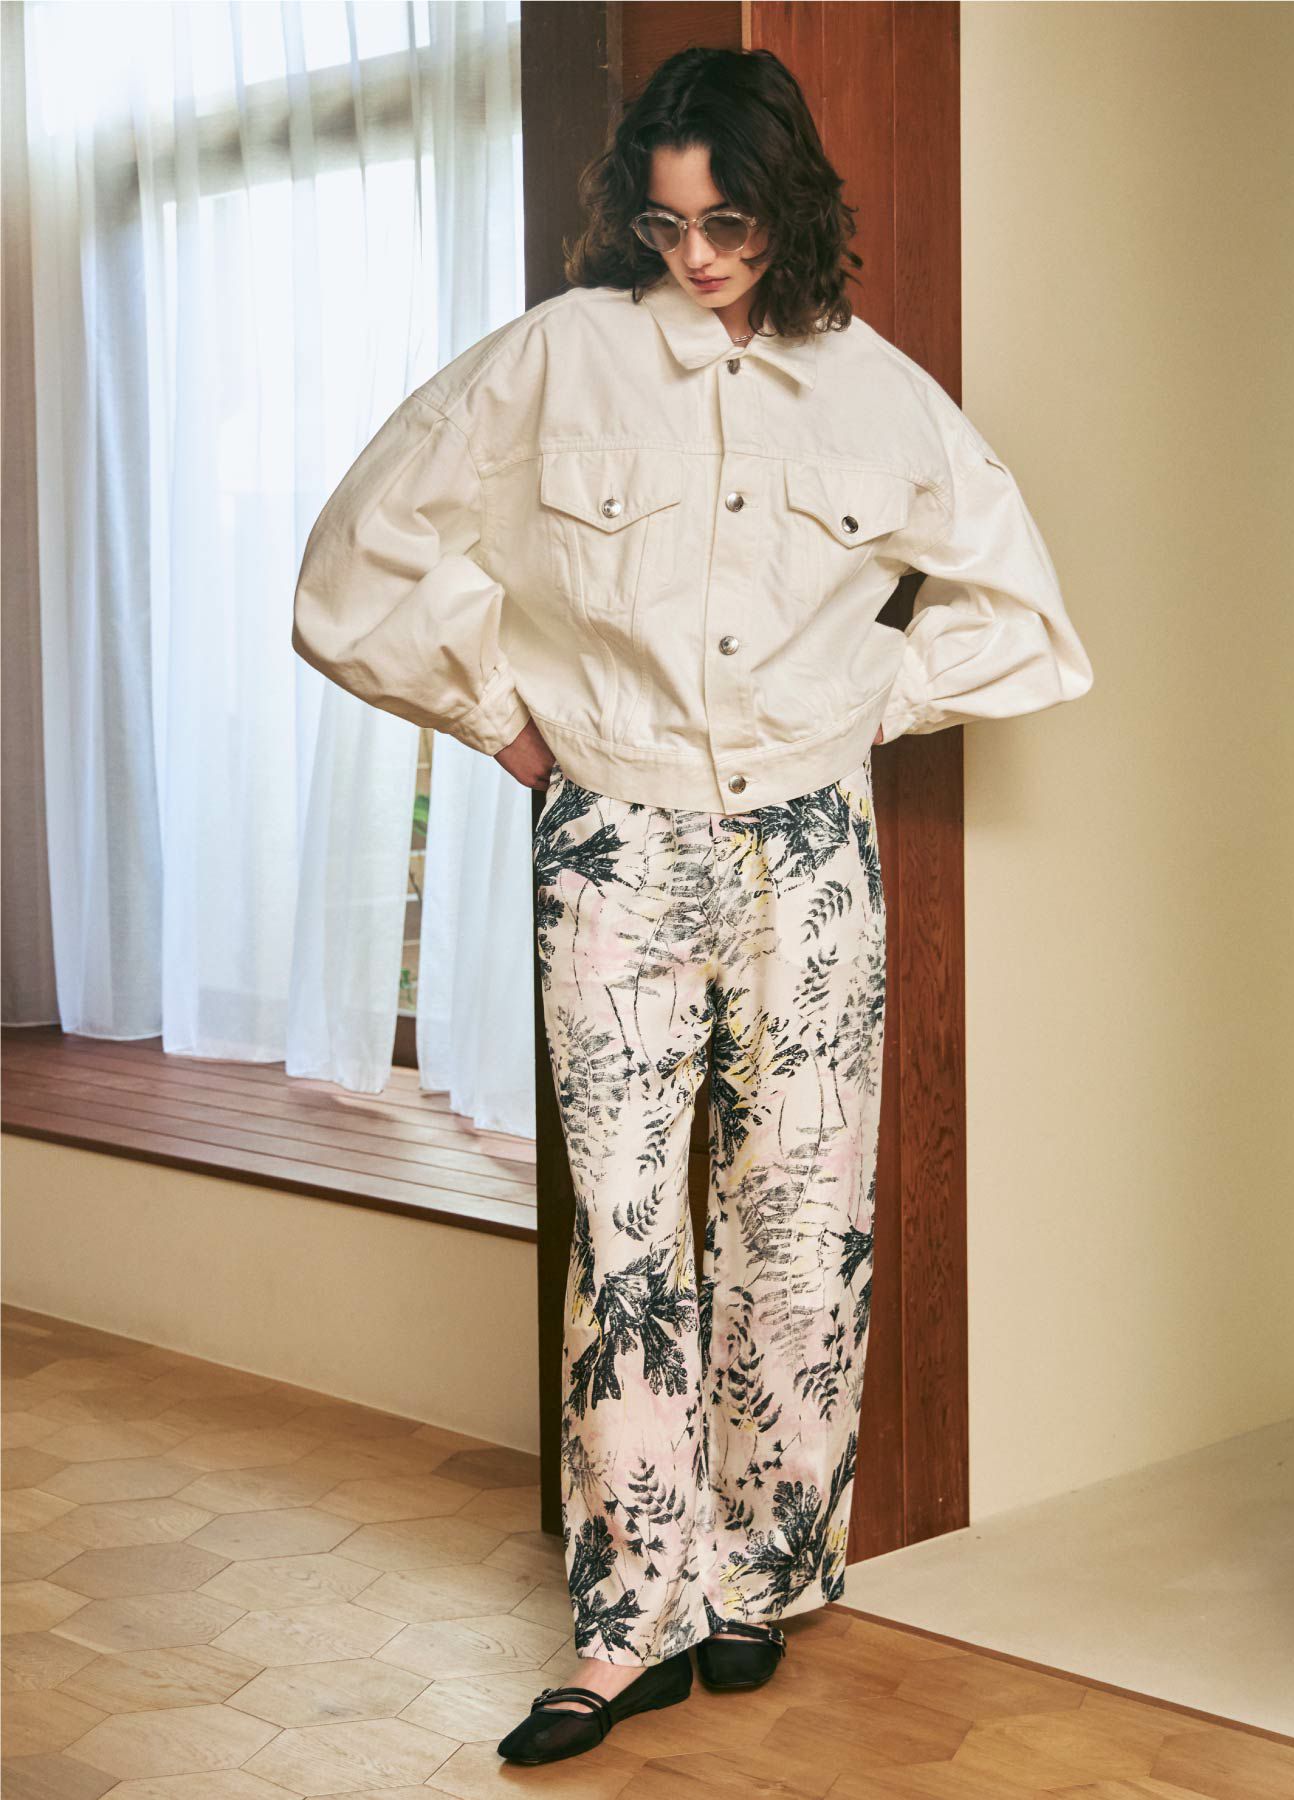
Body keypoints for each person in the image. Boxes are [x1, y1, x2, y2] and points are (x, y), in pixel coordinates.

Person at [291, 43, 1093, 1771]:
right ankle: (625, 1617)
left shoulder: (880, 395)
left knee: (802, 1214)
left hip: (809, 846)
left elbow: (1027, 619)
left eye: (729, 222)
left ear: (787, 204)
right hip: (620, 837)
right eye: (667, 224)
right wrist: (504, 724)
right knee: (628, 1231)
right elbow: (354, 562)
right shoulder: (557, 357)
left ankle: (759, 1576)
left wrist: (864, 699)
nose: (700, 256)